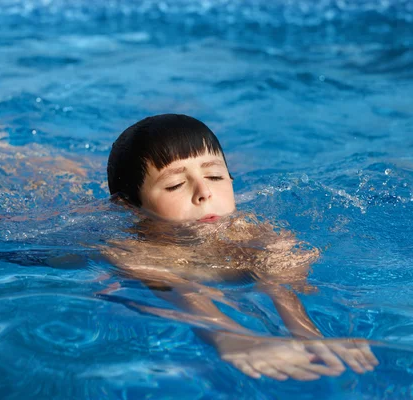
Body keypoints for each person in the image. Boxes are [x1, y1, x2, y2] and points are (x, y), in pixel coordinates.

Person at [101, 114, 378, 381]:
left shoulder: (256, 233)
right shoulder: (129, 249)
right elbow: (183, 293)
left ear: (232, 180)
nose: (204, 193)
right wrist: (229, 334)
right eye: (175, 185)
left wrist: (310, 335)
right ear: (129, 207)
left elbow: (283, 285)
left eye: (215, 177)